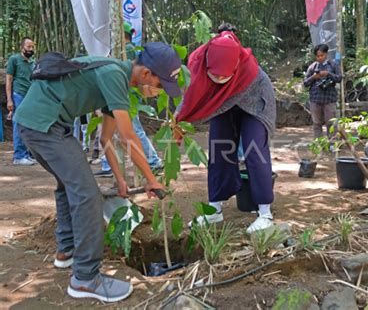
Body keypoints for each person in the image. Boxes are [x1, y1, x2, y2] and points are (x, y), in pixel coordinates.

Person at [13, 42, 182, 302]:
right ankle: (85, 278)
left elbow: (106, 138)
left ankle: (66, 251)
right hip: (44, 125)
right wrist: (152, 180)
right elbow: (127, 138)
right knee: (88, 195)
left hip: (41, 123)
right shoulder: (114, 74)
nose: (158, 93)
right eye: (160, 86)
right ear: (146, 73)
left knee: (68, 184)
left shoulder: (115, 78)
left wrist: (121, 180)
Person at [176, 31, 276, 234]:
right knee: (219, 148)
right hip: (223, 101)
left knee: (254, 149)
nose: (220, 77)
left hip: (256, 102)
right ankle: (214, 209)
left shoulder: (248, 69)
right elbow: (190, 95)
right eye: (216, 74)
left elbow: (221, 102)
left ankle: (265, 213)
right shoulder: (196, 62)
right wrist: (177, 122)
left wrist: (188, 121)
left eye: (224, 75)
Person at [95, 22, 162, 177]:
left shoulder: (128, 50)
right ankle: (109, 165)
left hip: (127, 97)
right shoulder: (126, 50)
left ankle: (152, 161)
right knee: (116, 130)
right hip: (120, 95)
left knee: (132, 130)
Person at [5, 37, 37, 165]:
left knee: (29, 125)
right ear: (22, 47)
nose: (31, 49)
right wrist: (9, 100)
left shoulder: (32, 62)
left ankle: (27, 153)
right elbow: (9, 80)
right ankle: (18, 156)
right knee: (19, 124)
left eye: (32, 47)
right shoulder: (14, 59)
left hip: (30, 97)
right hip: (19, 95)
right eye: (28, 47)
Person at [303, 44, 342, 139]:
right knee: (316, 123)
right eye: (318, 56)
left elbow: (339, 78)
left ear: (326, 54)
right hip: (315, 99)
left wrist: (328, 74)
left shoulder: (333, 65)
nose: (320, 58)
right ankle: (319, 143)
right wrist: (313, 77)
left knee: (331, 123)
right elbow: (305, 83)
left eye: (322, 55)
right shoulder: (312, 67)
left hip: (329, 98)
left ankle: (332, 143)